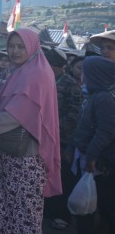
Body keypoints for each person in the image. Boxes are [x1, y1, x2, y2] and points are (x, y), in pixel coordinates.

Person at [0, 28, 62, 234]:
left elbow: (14, 116)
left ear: (32, 47)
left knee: (21, 219)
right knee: (9, 216)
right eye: (11, 46)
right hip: (12, 157)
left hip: (23, 162)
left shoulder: (35, 74)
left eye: (21, 46)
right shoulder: (24, 70)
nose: (14, 51)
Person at [70, 56, 115, 233]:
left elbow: (105, 132)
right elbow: (83, 127)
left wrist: (91, 157)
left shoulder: (104, 98)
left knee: (98, 204)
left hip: (97, 163)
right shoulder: (94, 95)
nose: (82, 76)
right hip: (88, 157)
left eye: (85, 73)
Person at [42, 47, 82, 230]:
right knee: (46, 175)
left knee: (62, 177)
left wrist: (54, 128)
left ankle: (61, 215)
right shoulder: (45, 80)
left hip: (63, 140)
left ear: (56, 64)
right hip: (45, 137)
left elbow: (74, 114)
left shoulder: (70, 84)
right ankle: (47, 210)